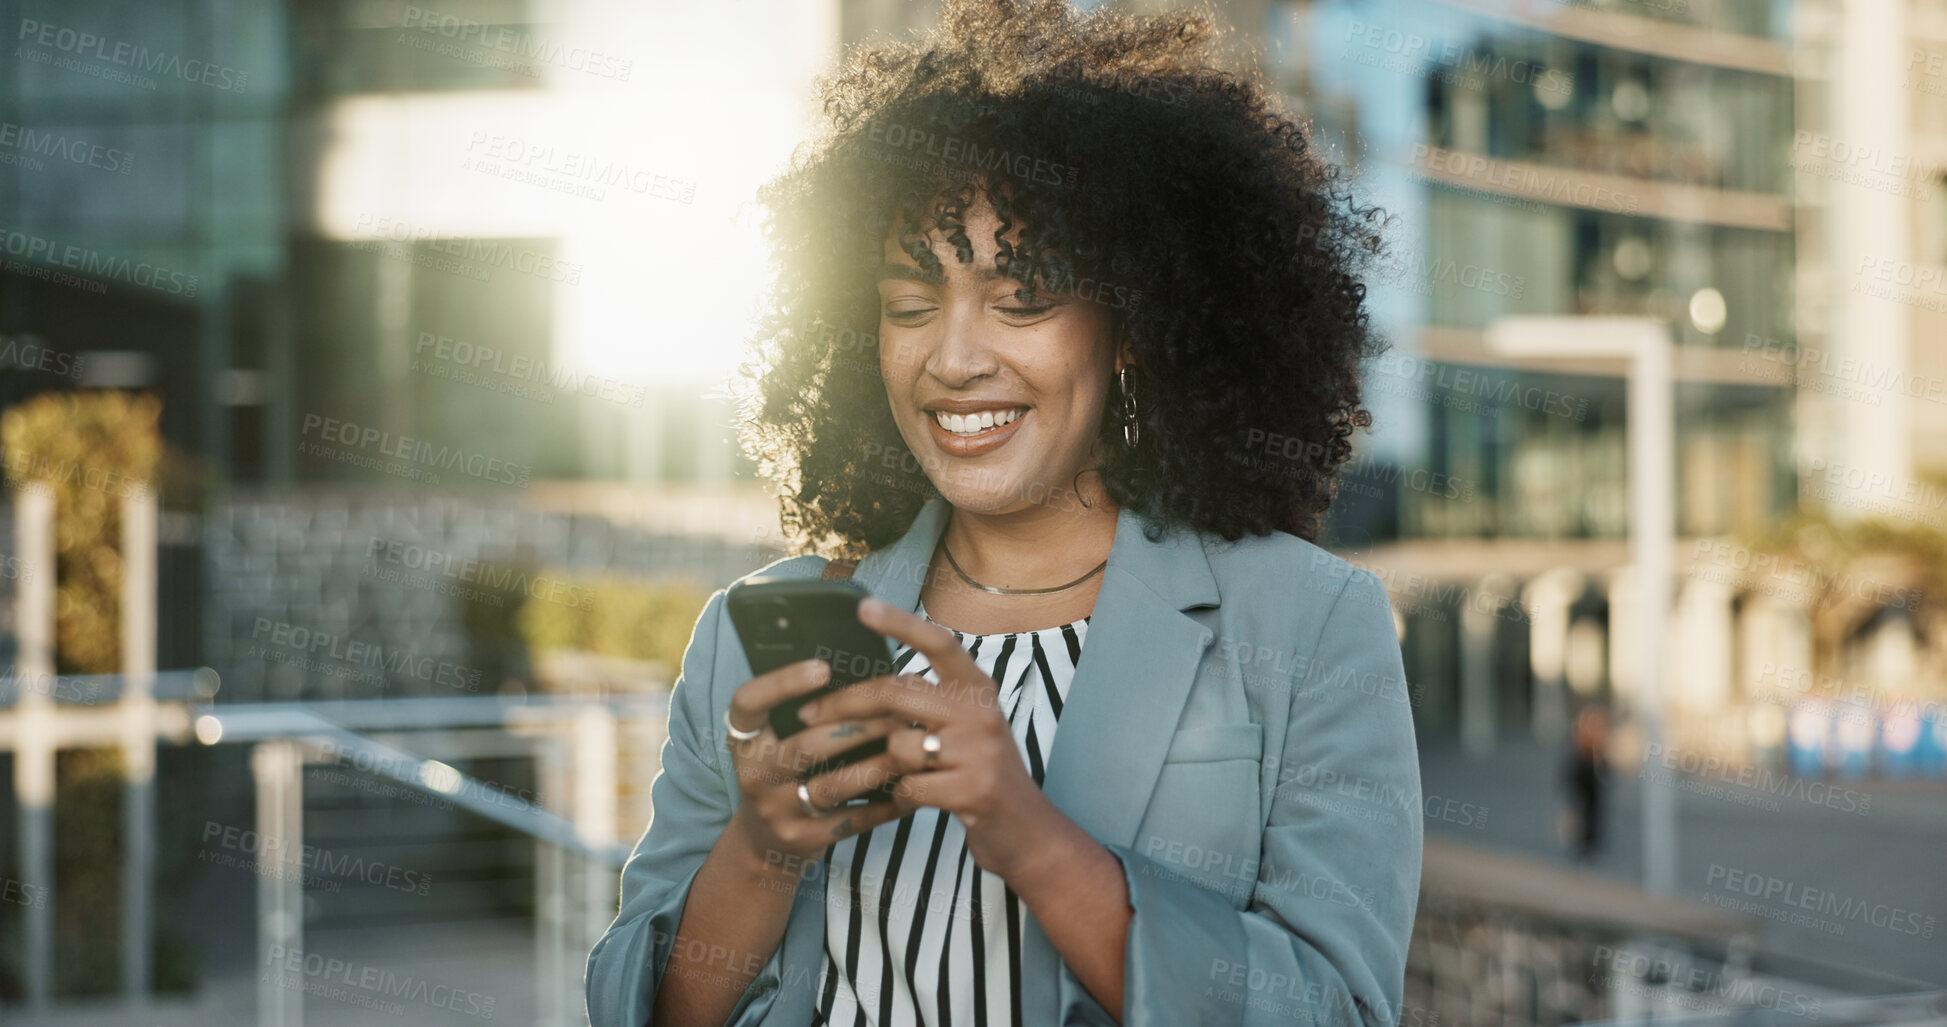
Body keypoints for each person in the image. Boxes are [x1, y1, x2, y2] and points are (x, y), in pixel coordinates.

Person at [586, 2, 1421, 1024]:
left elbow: (1337, 1008)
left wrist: (1026, 828)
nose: (954, 356)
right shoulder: (757, 636)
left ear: (1131, 327)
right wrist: (762, 846)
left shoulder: (1307, 624)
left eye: (1021, 299)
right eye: (909, 304)